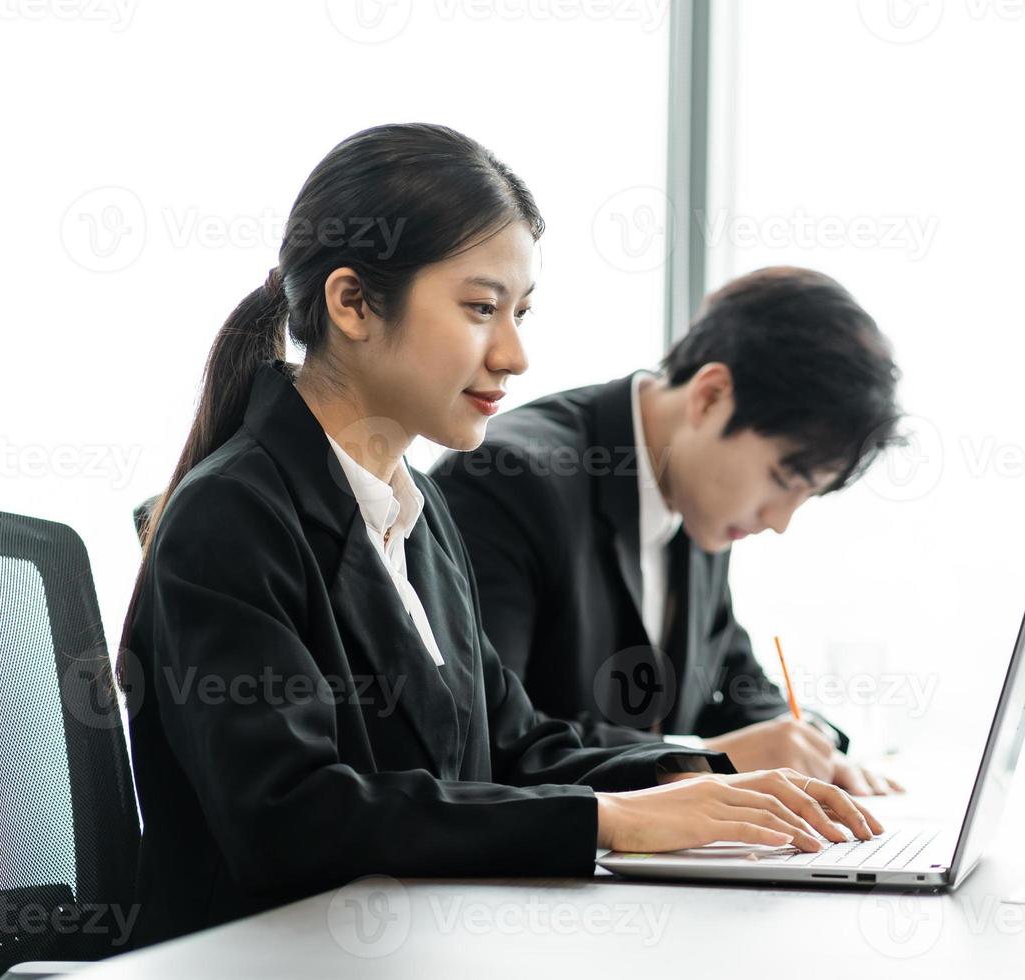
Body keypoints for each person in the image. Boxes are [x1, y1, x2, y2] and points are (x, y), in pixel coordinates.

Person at [118, 123, 880, 947]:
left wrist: (698, 777)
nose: (515, 355)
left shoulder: (416, 517)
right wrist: (610, 821)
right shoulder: (232, 514)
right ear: (352, 303)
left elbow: (517, 745)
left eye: (519, 312)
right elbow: (294, 817)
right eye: (482, 309)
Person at [428, 266, 904, 795]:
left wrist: (812, 742)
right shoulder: (508, 480)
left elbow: (738, 688)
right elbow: (488, 740)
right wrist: (700, 759)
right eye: (782, 479)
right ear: (711, 396)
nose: (780, 521)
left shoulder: (700, 499)